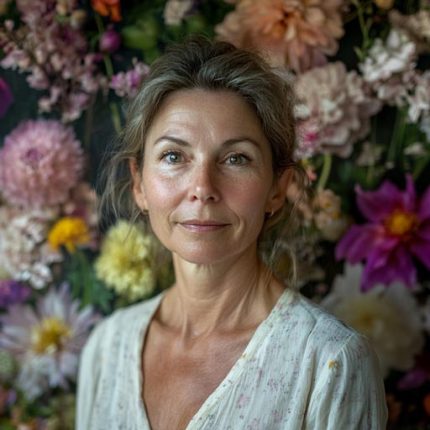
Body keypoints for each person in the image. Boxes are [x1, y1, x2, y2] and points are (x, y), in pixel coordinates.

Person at [76, 37, 388, 429]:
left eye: (236, 158)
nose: (202, 187)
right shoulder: (107, 348)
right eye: (174, 156)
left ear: (277, 188)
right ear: (139, 183)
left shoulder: (330, 362)